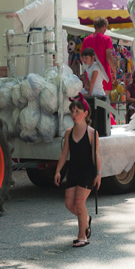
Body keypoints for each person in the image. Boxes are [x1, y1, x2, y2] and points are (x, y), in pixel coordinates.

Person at [54, 94, 101, 248]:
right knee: (69, 204)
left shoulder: (92, 133)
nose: (74, 115)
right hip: (73, 171)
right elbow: (64, 154)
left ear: (85, 113)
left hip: (87, 172)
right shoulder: (68, 132)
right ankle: (86, 220)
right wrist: (58, 171)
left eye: (77, 111)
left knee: (79, 203)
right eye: (72, 112)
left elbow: (96, 155)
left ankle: (82, 236)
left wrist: (98, 174)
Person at [6, 0, 55, 75]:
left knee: (36, 63)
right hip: (46, 34)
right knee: (44, 63)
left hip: (39, 36)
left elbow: (34, 8)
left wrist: (18, 14)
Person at [82, 17, 116, 93]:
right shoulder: (107, 39)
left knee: (91, 101)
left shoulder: (86, 40)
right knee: (104, 101)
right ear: (104, 26)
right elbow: (108, 57)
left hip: (91, 74)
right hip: (104, 74)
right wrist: (114, 71)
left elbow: (82, 58)